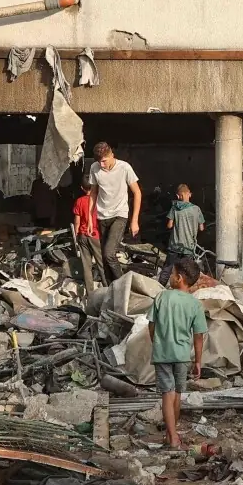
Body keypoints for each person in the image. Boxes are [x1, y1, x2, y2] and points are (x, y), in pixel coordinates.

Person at [149, 257, 207, 450]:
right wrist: (198, 361)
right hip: (182, 355)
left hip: (163, 353)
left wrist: (156, 342)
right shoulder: (195, 304)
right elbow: (198, 335)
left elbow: (151, 325)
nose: (170, 277)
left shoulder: (161, 297)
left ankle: (172, 437)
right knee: (178, 394)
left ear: (179, 278)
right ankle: (170, 434)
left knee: (167, 393)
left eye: (172, 274)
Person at [88, 143, 141, 279]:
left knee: (109, 253)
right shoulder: (94, 168)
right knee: (104, 258)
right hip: (102, 216)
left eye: (104, 161)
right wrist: (89, 218)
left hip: (119, 214)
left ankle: (122, 283)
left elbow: (137, 192)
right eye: (99, 162)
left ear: (112, 155)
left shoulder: (124, 168)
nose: (102, 165)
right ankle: (110, 290)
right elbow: (93, 193)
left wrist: (134, 221)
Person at [71, 181, 102, 286]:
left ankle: (90, 294)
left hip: (83, 235)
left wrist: (76, 236)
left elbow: (77, 222)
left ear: (82, 188)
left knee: (86, 266)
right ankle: (108, 289)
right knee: (101, 264)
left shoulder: (79, 201)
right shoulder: (99, 201)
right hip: (96, 235)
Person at [165, 184, 205, 256]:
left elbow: (169, 225)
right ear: (190, 194)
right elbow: (201, 228)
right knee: (187, 267)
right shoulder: (197, 209)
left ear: (178, 196)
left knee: (171, 267)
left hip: (174, 246)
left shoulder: (174, 208)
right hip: (189, 247)